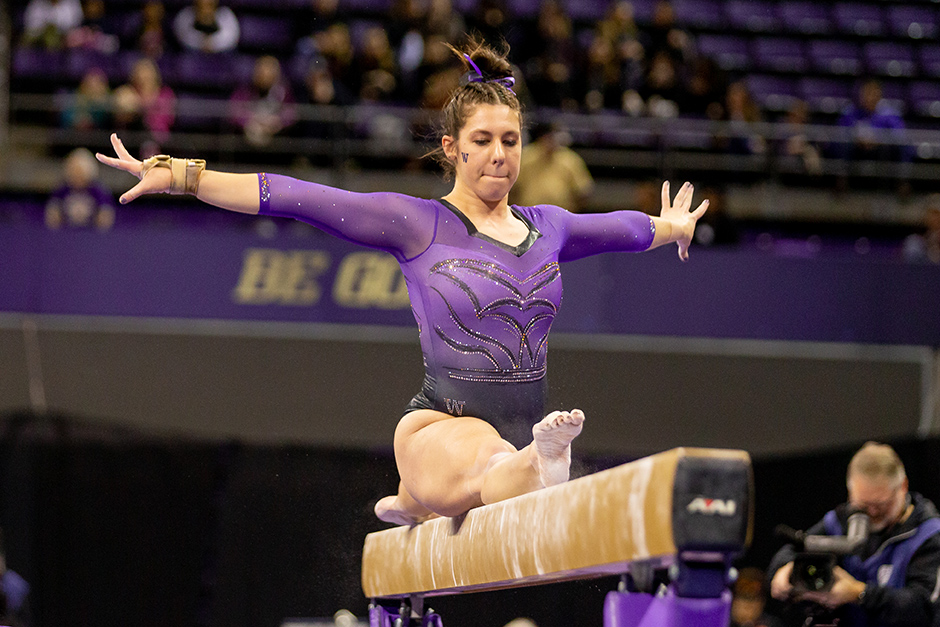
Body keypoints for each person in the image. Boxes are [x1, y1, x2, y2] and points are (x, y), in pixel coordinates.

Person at [95, 39, 708, 527]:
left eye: (511, 141)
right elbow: (297, 196)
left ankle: (415, 500)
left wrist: (669, 225)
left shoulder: (549, 228)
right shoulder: (419, 223)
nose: (499, 154)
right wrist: (179, 175)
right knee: (481, 463)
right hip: (442, 426)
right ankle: (523, 471)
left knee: (462, 480)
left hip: (521, 425)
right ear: (452, 148)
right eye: (483, 141)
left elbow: (621, 228)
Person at [768, 441, 940, 627]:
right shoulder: (840, 521)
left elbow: (922, 608)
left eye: (881, 505)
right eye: (864, 506)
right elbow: (790, 552)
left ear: (903, 486)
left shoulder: (928, 534)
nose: (873, 513)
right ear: (850, 493)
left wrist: (859, 593)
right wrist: (785, 570)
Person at [510, 121, 594, 212]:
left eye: (553, 136)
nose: (550, 139)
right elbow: (512, 189)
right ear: (541, 137)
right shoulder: (525, 157)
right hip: (528, 214)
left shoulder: (570, 160)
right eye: (548, 136)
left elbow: (583, 192)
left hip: (562, 216)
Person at [46, 147, 116, 231]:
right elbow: (52, 215)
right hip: (66, 233)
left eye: (80, 173)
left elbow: (106, 217)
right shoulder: (61, 190)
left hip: (91, 234)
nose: (77, 177)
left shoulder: (99, 191)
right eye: (74, 172)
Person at [172, 0, 240, 54]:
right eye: (201, 5)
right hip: (193, 56)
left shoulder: (226, 15)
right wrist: (201, 42)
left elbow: (231, 39)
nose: (205, 8)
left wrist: (212, 43)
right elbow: (183, 37)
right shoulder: (185, 16)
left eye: (209, 4)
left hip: (222, 57)